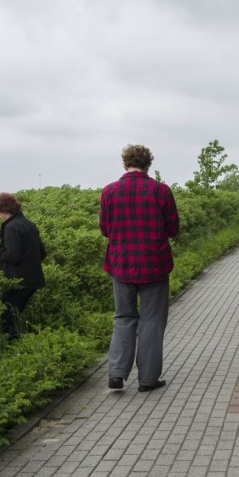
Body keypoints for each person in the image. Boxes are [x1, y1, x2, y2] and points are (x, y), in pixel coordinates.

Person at [99, 144, 179, 392]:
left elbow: (104, 229)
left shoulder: (109, 191)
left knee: (123, 317)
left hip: (121, 264)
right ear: (148, 164)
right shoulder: (161, 191)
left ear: (125, 164)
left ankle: (117, 373)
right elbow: (173, 229)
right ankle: (147, 379)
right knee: (152, 321)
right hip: (154, 265)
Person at [0, 192, 47, 339]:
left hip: (18, 281)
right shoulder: (29, 224)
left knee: (7, 317)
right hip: (33, 280)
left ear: (4, 210)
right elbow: (42, 253)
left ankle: (12, 349)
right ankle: (19, 346)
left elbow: (12, 257)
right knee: (14, 315)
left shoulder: (11, 227)